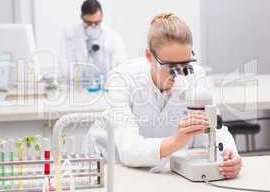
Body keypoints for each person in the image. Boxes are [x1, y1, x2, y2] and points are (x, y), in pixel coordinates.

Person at [88, 13, 242, 179]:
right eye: (170, 67)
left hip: (167, 170)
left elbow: (216, 127)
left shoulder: (196, 76)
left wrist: (230, 154)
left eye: (185, 65)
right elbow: (128, 149)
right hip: (112, 167)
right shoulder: (122, 78)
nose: (179, 75)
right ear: (149, 56)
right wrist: (176, 141)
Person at [60, 0, 127, 81]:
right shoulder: (70, 35)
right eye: (88, 23)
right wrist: (80, 78)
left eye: (97, 23)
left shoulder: (112, 37)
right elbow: (65, 66)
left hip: (106, 87)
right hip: (79, 87)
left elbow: (121, 66)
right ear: (82, 17)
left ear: (102, 16)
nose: (93, 27)